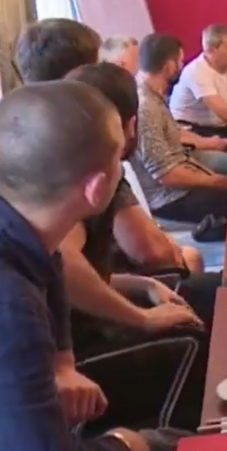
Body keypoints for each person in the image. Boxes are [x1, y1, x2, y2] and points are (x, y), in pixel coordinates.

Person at [0, 81, 180, 451]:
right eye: (118, 159)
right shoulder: (12, 306)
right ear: (96, 189)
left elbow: (53, 270)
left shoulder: (28, 228)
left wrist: (62, 364)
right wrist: (124, 443)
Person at [15, 20, 206, 275]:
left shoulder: (17, 140)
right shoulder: (92, 145)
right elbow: (151, 251)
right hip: (107, 278)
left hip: (77, 281)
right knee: (192, 261)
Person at [133, 34, 227, 224]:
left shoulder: (152, 95)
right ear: (169, 66)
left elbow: (173, 134)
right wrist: (216, 181)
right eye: (180, 61)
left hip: (184, 170)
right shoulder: (147, 107)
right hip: (169, 197)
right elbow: (167, 176)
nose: (181, 66)